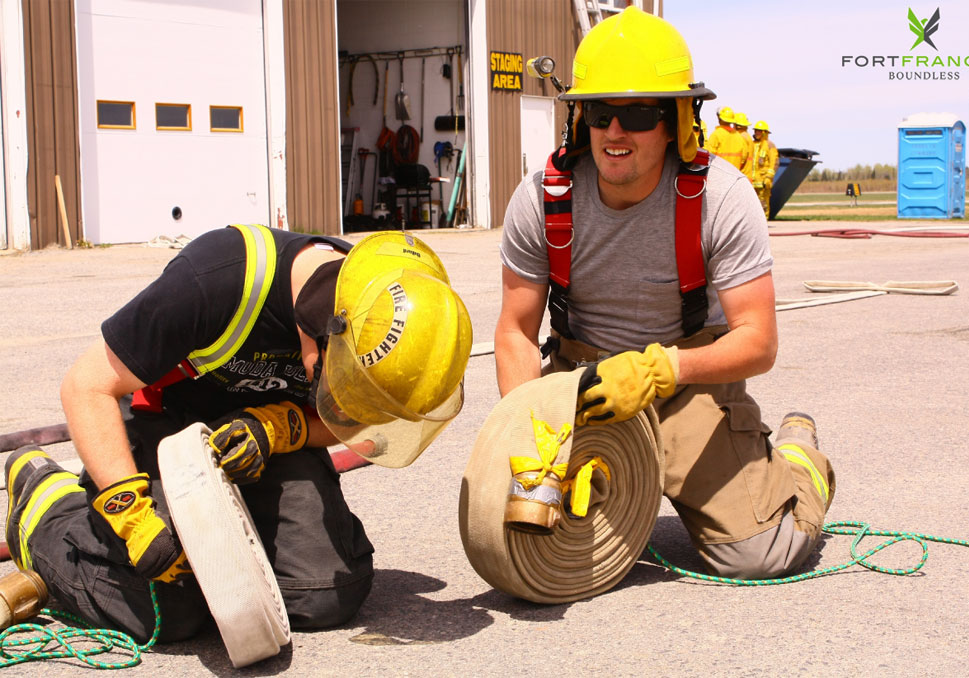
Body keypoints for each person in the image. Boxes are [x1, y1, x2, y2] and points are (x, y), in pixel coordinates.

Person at [495, 6, 834, 580]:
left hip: (685, 382)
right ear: (580, 121)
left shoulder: (721, 198)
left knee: (758, 555)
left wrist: (658, 372)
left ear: (677, 120)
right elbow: (515, 331)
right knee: (524, 532)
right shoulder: (540, 200)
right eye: (600, 113)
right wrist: (530, 429)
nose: (615, 132)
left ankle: (801, 459)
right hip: (581, 383)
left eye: (639, 113)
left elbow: (759, 342)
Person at [5, 227, 472, 640]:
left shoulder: (373, 307)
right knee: (170, 605)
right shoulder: (217, 278)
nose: (348, 402)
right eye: (340, 385)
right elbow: (85, 388)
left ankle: (230, 530)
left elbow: (343, 420)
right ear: (321, 328)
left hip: (260, 439)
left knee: (329, 592)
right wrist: (135, 523)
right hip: (165, 426)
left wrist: (277, 428)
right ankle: (44, 505)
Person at [705, 105, 750, 175]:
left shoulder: (716, 134)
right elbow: (744, 157)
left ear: (719, 119)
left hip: (719, 174)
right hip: (735, 174)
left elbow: (709, 155)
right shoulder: (739, 136)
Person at [751, 120, 780, 218]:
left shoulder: (769, 145)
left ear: (764, 132)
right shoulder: (752, 144)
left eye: (759, 131)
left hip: (763, 182)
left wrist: (768, 178)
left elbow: (774, 163)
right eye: (755, 131)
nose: (756, 133)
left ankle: (764, 223)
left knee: (763, 203)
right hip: (752, 181)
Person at [733, 112, 754, 178]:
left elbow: (742, 158)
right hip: (747, 175)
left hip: (741, 174)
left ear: (737, 125)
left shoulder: (740, 137)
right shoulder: (747, 136)